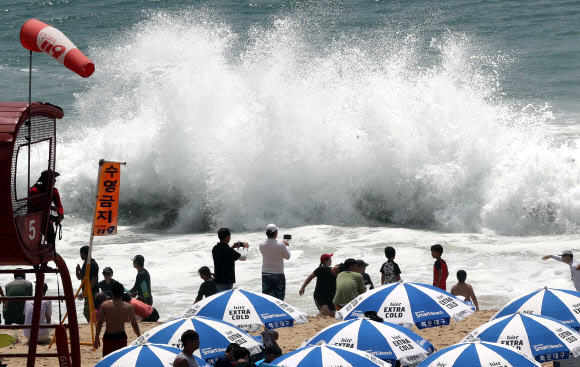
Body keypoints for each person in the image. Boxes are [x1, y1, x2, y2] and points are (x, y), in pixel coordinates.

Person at [94, 282, 140, 357]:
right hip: (121, 336)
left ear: (112, 293)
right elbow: (134, 324)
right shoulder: (128, 307)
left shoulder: (105, 305)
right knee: (120, 359)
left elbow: (100, 323)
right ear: (122, 292)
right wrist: (139, 336)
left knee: (107, 359)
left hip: (108, 336)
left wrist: (96, 338)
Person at [28, 169, 64, 246]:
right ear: (47, 180)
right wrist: (52, 211)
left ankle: (50, 251)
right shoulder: (34, 191)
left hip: (46, 218)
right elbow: (38, 207)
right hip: (33, 219)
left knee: (51, 239)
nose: (55, 181)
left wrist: (60, 215)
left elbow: (59, 205)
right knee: (33, 244)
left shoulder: (54, 191)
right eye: (53, 179)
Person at [259, 224, 291, 300]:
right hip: (278, 274)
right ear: (276, 233)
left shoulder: (261, 244)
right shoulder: (281, 245)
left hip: (265, 274)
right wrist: (287, 246)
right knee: (279, 300)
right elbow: (288, 257)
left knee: (268, 299)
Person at [75, 245, 99, 322]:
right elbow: (80, 278)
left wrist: (85, 292)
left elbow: (94, 280)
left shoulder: (93, 264)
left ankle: (92, 323)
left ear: (85, 254)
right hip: (87, 292)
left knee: (89, 312)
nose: (80, 255)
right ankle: (91, 323)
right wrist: (77, 270)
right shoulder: (85, 263)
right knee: (88, 312)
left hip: (92, 292)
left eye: (81, 253)